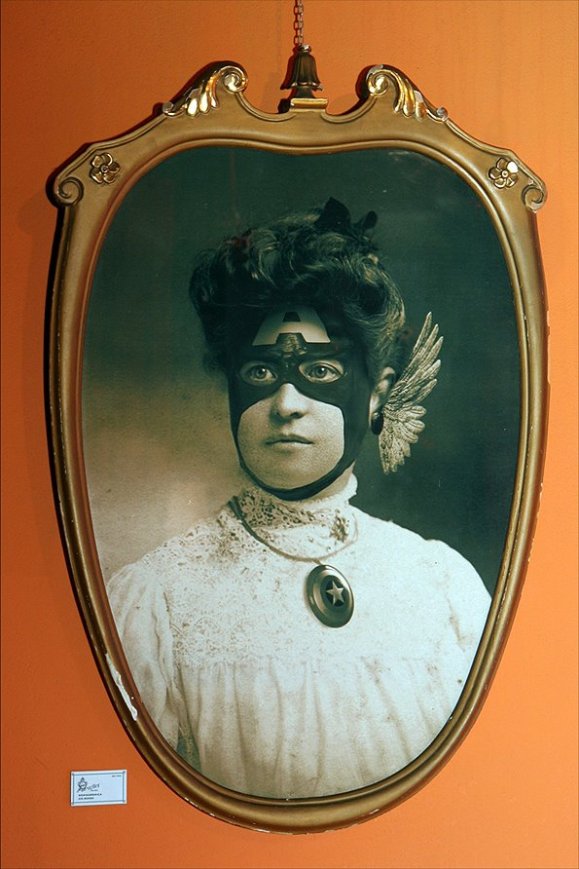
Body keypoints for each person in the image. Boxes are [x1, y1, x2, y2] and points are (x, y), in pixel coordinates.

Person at [107, 198, 490, 799]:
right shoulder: (157, 600)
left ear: (377, 394)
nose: (286, 404)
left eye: (320, 371)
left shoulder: (442, 586)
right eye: (260, 373)